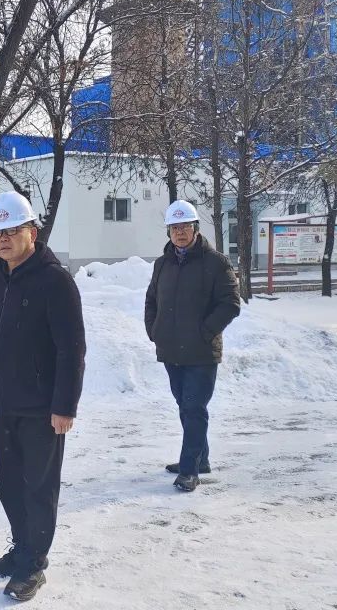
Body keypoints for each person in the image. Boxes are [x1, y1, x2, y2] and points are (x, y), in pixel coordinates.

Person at [0, 191, 86, 602]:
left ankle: (34, 564)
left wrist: (64, 406)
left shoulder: (55, 281)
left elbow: (71, 349)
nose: (3, 239)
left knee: (39, 488)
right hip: (3, 405)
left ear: (31, 233)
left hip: (41, 410)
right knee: (9, 485)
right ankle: (22, 546)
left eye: (11, 231)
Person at [145, 200, 240, 492]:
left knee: (194, 407)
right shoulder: (162, 264)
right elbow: (151, 300)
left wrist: (205, 332)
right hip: (171, 350)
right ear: (169, 231)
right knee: (185, 406)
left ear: (195, 228)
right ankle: (201, 459)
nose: (180, 232)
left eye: (185, 226)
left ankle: (189, 470)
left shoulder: (216, 263)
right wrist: (154, 331)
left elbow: (230, 303)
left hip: (201, 352)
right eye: (174, 228)